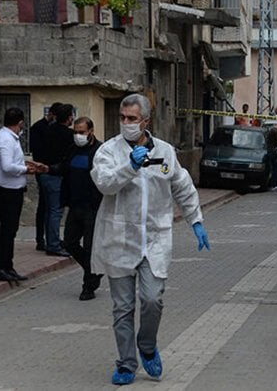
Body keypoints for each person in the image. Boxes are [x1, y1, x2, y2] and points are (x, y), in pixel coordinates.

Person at [90, 94, 210, 385]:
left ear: (146, 121)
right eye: (123, 118)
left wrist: (196, 220)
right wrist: (129, 166)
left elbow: (182, 186)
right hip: (119, 239)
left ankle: (147, 345)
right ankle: (127, 363)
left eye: (132, 119)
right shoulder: (108, 151)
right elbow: (104, 184)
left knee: (152, 299)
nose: (126, 124)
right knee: (122, 307)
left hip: (154, 239)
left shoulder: (166, 152)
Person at [48, 117, 104, 300]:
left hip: (93, 207)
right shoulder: (73, 150)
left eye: (82, 132)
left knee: (89, 247)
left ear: (91, 131)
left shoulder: (100, 151)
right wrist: (46, 169)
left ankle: (88, 287)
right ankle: (93, 269)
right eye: (76, 132)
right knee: (70, 243)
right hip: (75, 205)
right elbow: (63, 168)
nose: (78, 136)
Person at [0, 108, 48, 282]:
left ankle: (7, 265)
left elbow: (13, 161)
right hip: (6, 190)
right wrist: (27, 170)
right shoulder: (5, 139)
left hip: (12, 189)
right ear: (21, 122)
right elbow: (8, 166)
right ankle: (0, 267)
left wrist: (29, 163)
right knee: (8, 230)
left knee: (10, 229)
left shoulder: (9, 138)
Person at [37, 103, 74, 257]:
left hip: (43, 173)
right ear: (69, 117)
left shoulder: (47, 129)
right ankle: (53, 245)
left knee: (48, 210)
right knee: (55, 211)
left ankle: (51, 240)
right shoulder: (67, 135)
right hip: (55, 174)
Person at [29, 101, 63, 251]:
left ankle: (51, 238)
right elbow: (36, 150)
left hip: (52, 170)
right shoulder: (38, 128)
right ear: (51, 114)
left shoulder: (54, 129)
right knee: (44, 206)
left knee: (51, 207)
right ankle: (40, 239)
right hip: (42, 170)